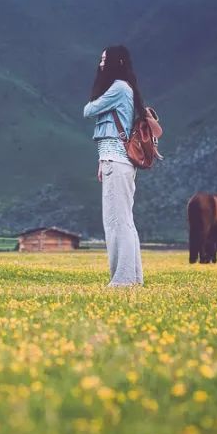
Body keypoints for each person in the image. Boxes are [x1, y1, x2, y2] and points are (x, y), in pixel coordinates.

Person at [83, 45, 145, 287]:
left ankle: (123, 280)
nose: (100, 64)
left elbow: (88, 110)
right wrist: (102, 159)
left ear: (116, 62)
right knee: (124, 222)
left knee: (116, 223)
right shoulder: (126, 89)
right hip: (116, 162)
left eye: (104, 60)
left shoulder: (118, 88)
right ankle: (133, 278)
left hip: (117, 163)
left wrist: (107, 159)